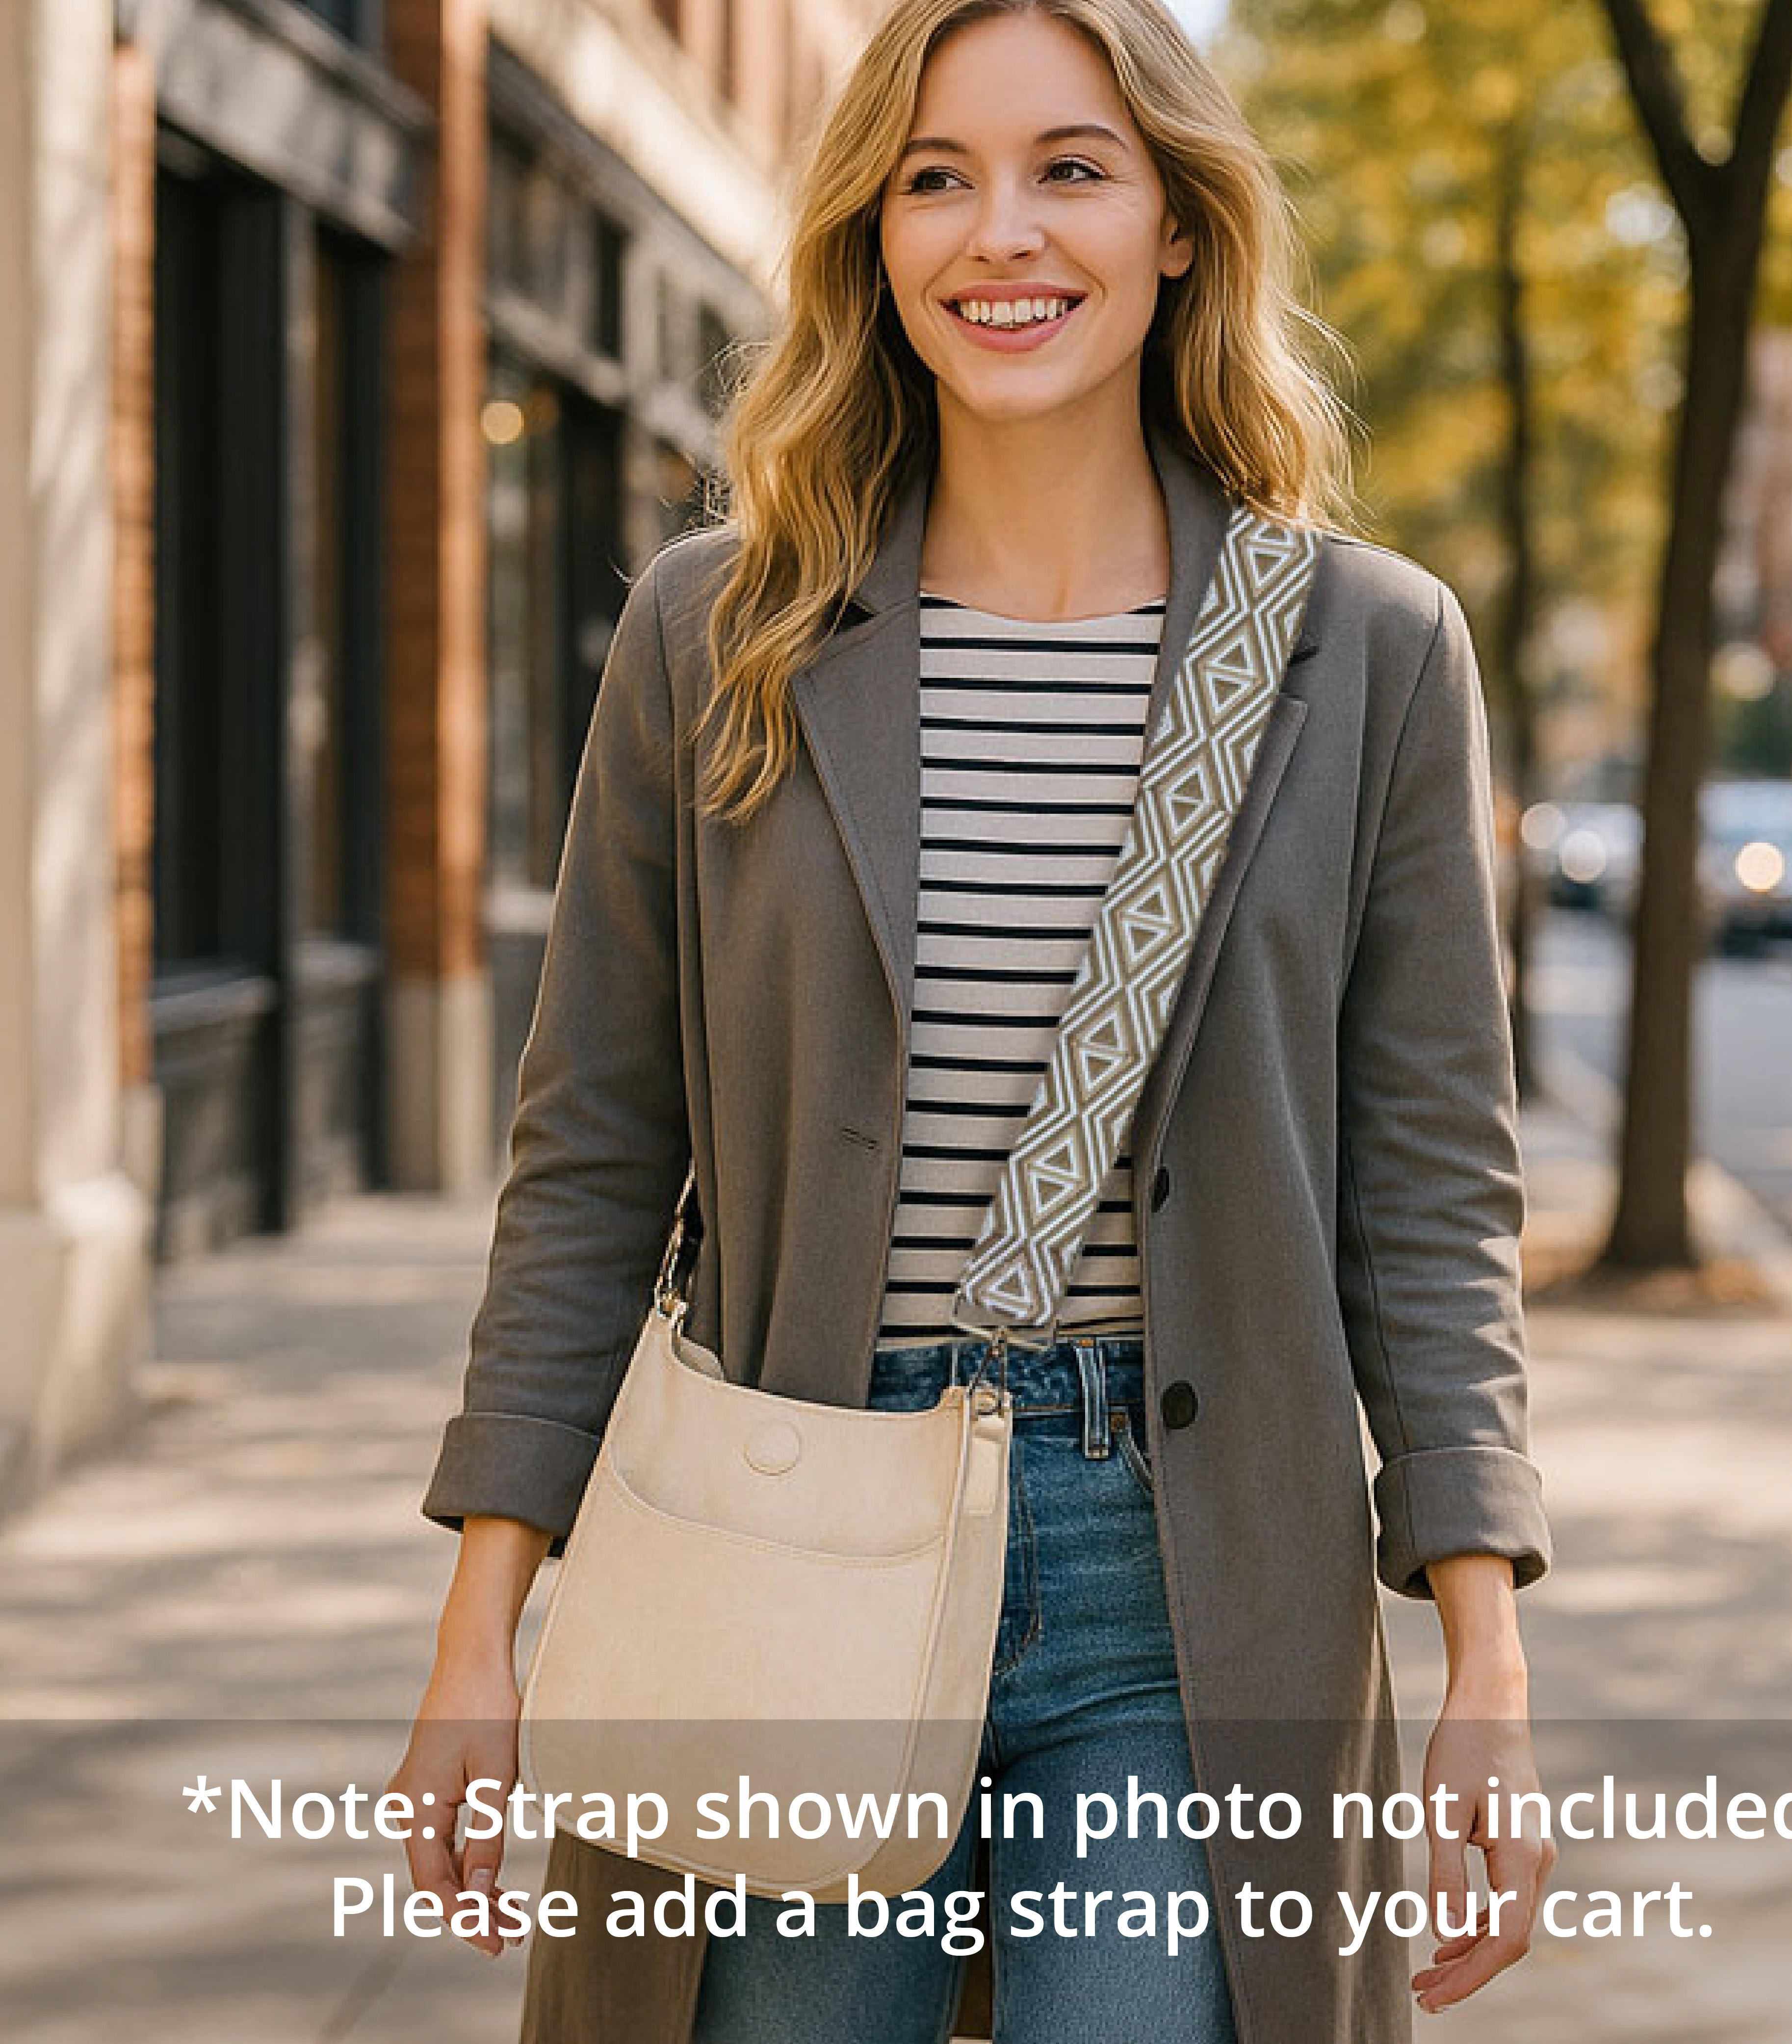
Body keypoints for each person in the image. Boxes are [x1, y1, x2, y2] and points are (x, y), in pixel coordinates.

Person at [390, 3, 1558, 2039]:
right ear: (873, 232)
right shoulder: (719, 630)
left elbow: (1427, 1194)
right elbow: (589, 1152)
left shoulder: (1364, 652)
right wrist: (480, 1632)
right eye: (936, 175)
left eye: (1069, 167)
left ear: (1180, 221)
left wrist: (1487, 1672)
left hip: (1186, 1588)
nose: (998, 233)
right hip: (787, 1543)